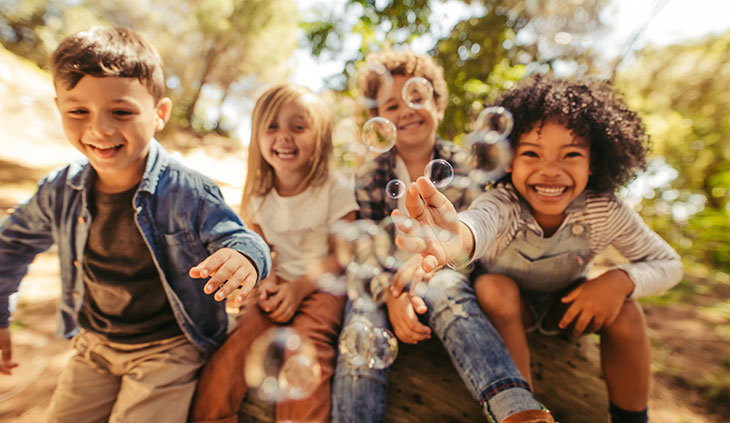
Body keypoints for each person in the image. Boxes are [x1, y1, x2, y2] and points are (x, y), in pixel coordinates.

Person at [0, 27, 271, 423]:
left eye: (121, 112)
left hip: (169, 349)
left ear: (159, 113)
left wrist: (243, 257)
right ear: (59, 107)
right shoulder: (60, 190)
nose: (100, 129)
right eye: (79, 111)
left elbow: (244, 239)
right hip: (96, 344)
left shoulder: (189, 191)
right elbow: (11, 244)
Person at [393, 74, 683, 423]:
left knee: (627, 310)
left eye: (571, 154)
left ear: (594, 163)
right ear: (508, 160)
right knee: (494, 287)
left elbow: (669, 263)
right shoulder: (504, 203)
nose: (549, 171)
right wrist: (457, 237)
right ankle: (521, 411)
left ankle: (633, 418)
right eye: (531, 153)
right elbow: (478, 224)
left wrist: (620, 280)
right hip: (508, 307)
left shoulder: (603, 209)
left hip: (567, 306)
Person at [332, 49, 555, 423]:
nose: (405, 109)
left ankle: (519, 412)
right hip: (383, 283)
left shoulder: (465, 166)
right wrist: (392, 295)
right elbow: (366, 249)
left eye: (416, 98)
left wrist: (426, 270)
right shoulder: (370, 176)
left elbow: (474, 244)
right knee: (361, 319)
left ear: (437, 105)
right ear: (377, 121)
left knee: (448, 290)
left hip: (444, 273)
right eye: (391, 104)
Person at [189, 83, 358, 423]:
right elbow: (260, 248)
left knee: (310, 348)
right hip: (277, 282)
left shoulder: (334, 188)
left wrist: (298, 289)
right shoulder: (258, 196)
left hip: (323, 285)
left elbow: (343, 255)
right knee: (239, 342)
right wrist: (268, 282)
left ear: (321, 137)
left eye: (298, 127)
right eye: (272, 126)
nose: (284, 136)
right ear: (258, 137)